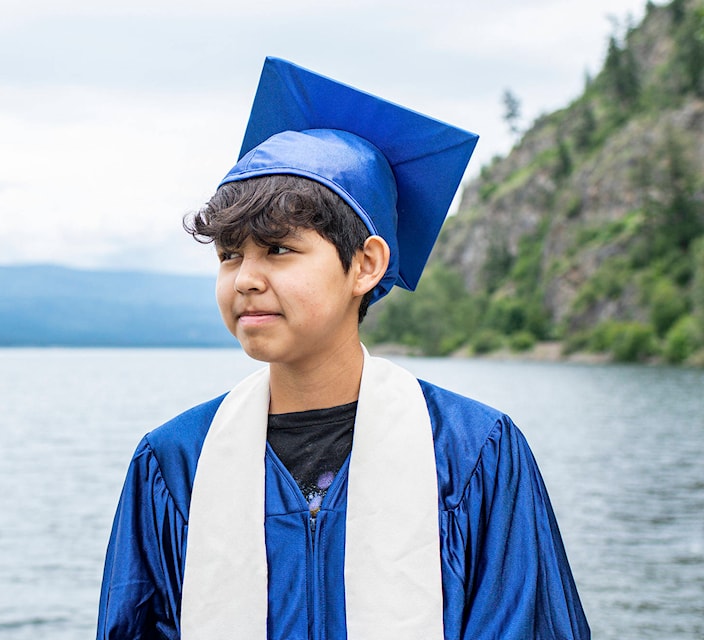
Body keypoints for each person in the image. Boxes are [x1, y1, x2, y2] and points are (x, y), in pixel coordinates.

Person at [97, 57, 589, 640]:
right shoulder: (175, 462)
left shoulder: (472, 453)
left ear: (366, 264)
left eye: (278, 250)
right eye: (230, 255)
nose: (246, 278)